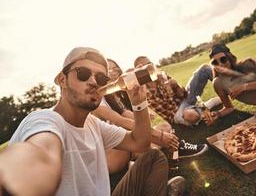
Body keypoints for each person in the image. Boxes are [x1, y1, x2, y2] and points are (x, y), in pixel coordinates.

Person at [0, 47, 184, 196]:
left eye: (101, 78)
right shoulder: (44, 120)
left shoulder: (93, 124)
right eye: (83, 74)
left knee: (153, 157)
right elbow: (43, 146)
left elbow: (141, 142)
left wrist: (139, 103)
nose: (94, 81)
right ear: (62, 80)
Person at [93, 59, 209, 173]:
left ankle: (140, 161)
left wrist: (145, 116)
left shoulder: (111, 97)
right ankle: (177, 148)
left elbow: (127, 114)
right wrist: (160, 135)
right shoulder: (96, 102)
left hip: (126, 147)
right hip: (111, 158)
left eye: (115, 68)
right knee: (129, 129)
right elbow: (122, 121)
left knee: (165, 127)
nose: (113, 73)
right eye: (108, 70)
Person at [133, 56, 222, 126]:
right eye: (144, 66)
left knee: (204, 69)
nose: (149, 67)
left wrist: (175, 86)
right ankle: (208, 105)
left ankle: (228, 87)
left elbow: (182, 94)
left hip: (185, 101)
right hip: (175, 114)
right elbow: (169, 107)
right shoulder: (144, 90)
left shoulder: (161, 75)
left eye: (150, 63)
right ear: (139, 71)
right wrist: (166, 88)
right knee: (191, 115)